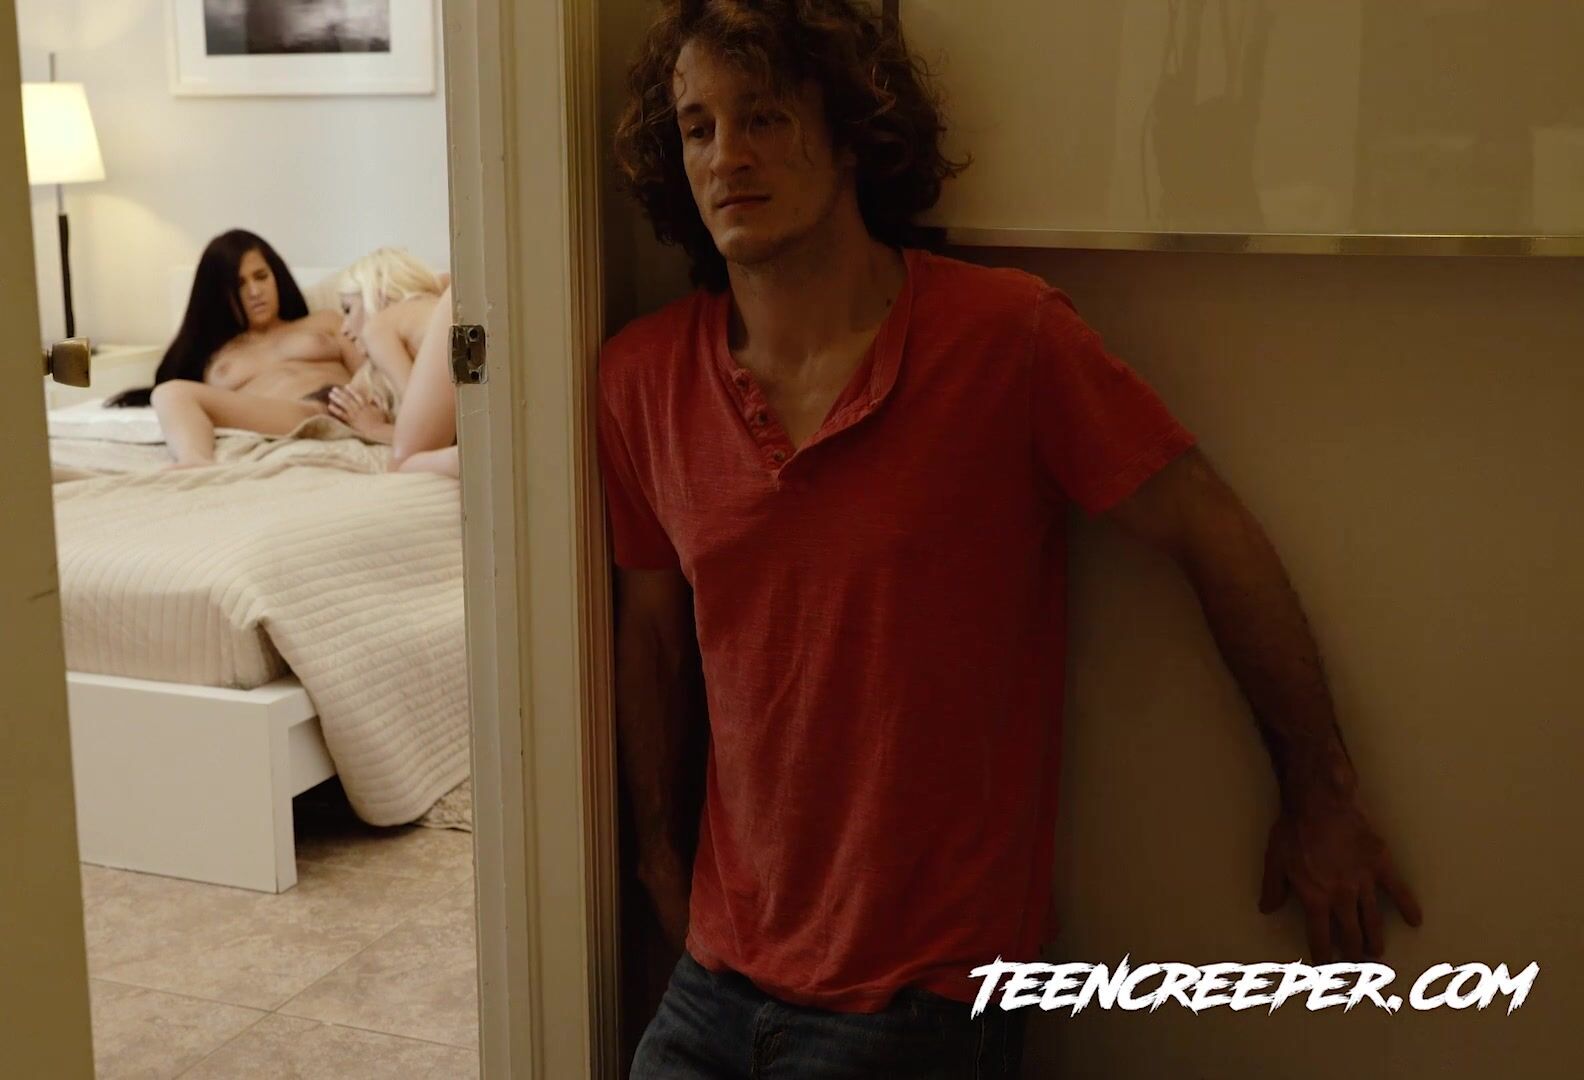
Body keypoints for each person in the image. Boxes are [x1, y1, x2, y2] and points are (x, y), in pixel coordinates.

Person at [598, 3, 1423, 1078]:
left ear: (850, 136)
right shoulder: (642, 380)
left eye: (764, 117)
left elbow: (1207, 530)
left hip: (921, 1006)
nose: (726, 158)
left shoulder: (1004, 337)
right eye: (698, 127)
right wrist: (658, 867)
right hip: (711, 986)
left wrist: (1319, 794)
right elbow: (652, 636)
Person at [110, 229, 360, 467]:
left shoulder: (326, 321)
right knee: (168, 393)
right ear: (220, 293)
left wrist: (371, 417)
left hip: (337, 407)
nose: (255, 291)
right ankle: (196, 462)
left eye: (261, 276)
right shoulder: (212, 356)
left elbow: (369, 373)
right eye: (239, 283)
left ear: (276, 276)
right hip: (286, 417)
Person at [325, 247, 447, 447]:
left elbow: (428, 436)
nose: (344, 329)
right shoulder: (437, 308)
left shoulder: (379, 327)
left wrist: (372, 429)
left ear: (378, 295)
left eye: (348, 310)